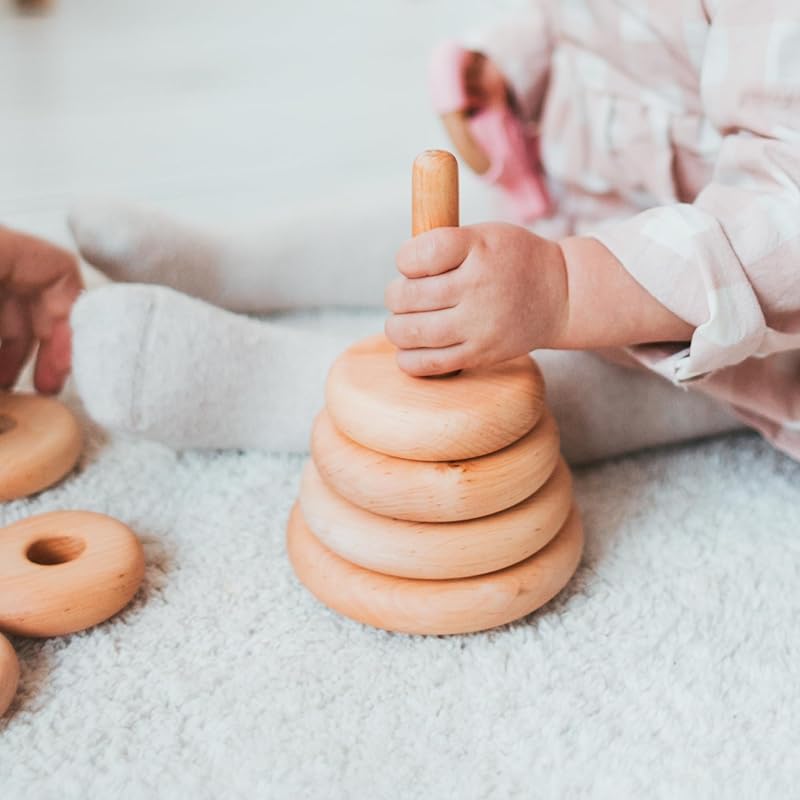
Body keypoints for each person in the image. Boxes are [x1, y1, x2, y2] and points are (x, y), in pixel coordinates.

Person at [9, 1, 800, 464]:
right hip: (596, 200)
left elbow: (784, 208)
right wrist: (508, 63)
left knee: (549, 384)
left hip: (736, 326)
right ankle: (236, 262)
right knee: (462, 248)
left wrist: (569, 290)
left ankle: (288, 394)